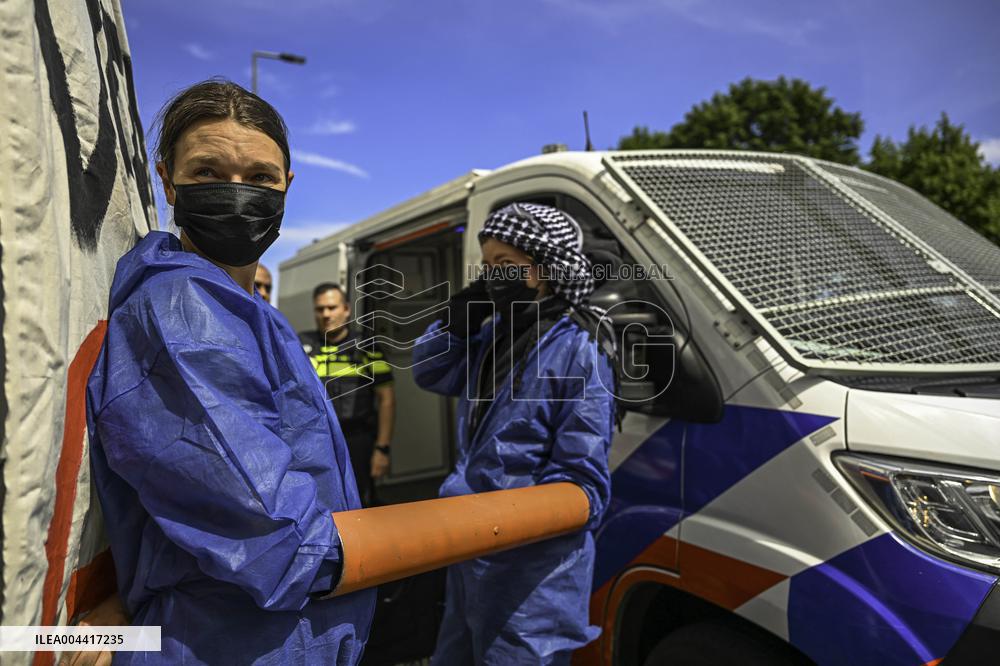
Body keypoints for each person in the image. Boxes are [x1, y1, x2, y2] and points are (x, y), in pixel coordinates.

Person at [85, 80, 375, 665]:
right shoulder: (184, 307)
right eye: (207, 172)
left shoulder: (248, 312)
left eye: (261, 178)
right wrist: (480, 521)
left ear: (287, 185)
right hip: (235, 642)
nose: (236, 194)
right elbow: (283, 544)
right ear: (167, 180)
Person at [412, 202, 618, 665]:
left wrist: (502, 526)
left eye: (505, 266)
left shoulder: (579, 348)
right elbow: (429, 374)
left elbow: (581, 483)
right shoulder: (492, 336)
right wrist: (456, 321)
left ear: (545, 270)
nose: (492, 278)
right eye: (487, 267)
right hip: (471, 551)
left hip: (531, 575)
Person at [299, 283, 395, 506]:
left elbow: (387, 398)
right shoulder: (301, 344)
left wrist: (382, 449)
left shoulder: (368, 346)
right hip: (316, 440)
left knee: (359, 503)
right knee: (320, 503)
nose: (326, 314)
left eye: (332, 308)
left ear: (346, 309)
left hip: (358, 439)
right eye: (320, 309)